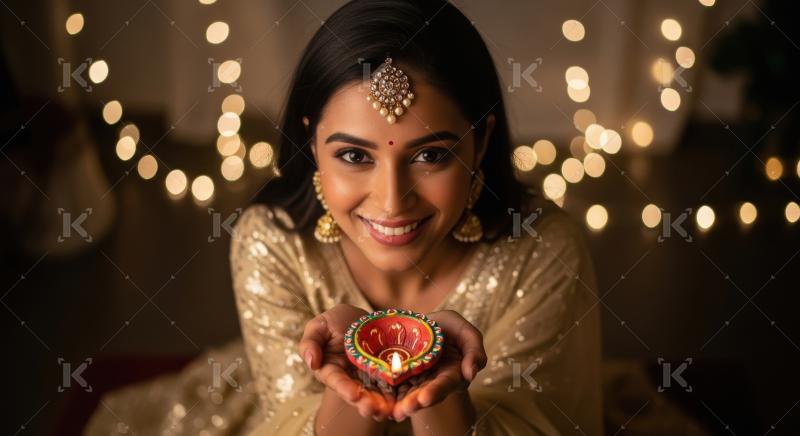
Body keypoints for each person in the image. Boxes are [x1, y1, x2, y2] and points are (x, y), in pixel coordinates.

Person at [85, 1, 602, 434]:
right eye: (355, 156)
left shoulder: (540, 248)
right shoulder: (273, 241)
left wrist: (439, 386)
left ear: (481, 142)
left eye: (430, 156)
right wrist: (355, 379)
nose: (392, 201)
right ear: (311, 143)